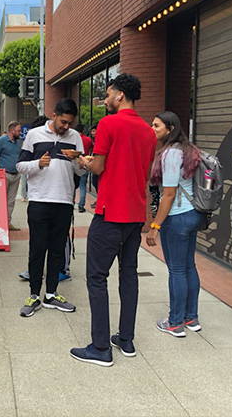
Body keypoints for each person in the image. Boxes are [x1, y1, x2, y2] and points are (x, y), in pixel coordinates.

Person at [72, 74, 156, 367]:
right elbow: (144, 176)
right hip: (134, 214)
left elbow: (99, 165)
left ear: (120, 95)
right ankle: (126, 339)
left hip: (110, 213)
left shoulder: (109, 124)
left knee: (97, 277)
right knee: (128, 274)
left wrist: (83, 160)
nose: (105, 99)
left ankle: (99, 347)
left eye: (108, 94)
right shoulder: (148, 131)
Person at [16, 99, 85, 317]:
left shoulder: (75, 138)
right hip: (39, 200)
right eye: (63, 122)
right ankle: (34, 294)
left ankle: (52, 294)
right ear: (53, 115)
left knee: (57, 250)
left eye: (70, 123)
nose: (66, 127)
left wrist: (78, 161)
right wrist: (38, 164)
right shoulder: (34, 135)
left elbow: (81, 172)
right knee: (37, 249)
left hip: (64, 201)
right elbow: (20, 166)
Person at [146, 111, 204, 338]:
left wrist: (155, 226)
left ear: (170, 129)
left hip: (177, 217)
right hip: (192, 214)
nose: (153, 129)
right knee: (189, 266)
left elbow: (168, 194)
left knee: (177, 270)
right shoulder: (189, 149)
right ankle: (191, 317)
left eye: (156, 125)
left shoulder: (170, 153)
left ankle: (175, 322)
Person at [0, 121, 23, 231]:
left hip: (16, 175)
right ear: (12, 130)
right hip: (4, 175)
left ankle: (7, 222)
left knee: (11, 201)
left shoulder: (19, 142)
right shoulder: (1, 141)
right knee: (0, 200)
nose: (20, 133)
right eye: (18, 130)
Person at [75, 124, 94, 213]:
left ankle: (71, 203)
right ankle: (81, 206)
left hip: (75, 163)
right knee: (83, 186)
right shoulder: (88, 139)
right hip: (85, 163)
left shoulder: (73, 139)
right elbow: (92, 149)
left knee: (72, 185)